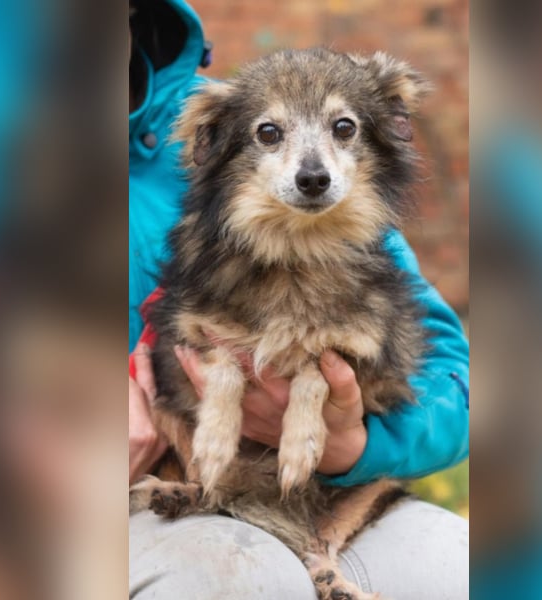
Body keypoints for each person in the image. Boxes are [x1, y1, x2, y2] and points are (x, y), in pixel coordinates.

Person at [128, 1, 470, 597]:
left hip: (330, 487)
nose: (313, 170)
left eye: (343, 130)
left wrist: (359, 446)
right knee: (237, 579)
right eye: (271, 136)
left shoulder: (340, 223)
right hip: (143, 482)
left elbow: (452, 379)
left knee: (451, 564)